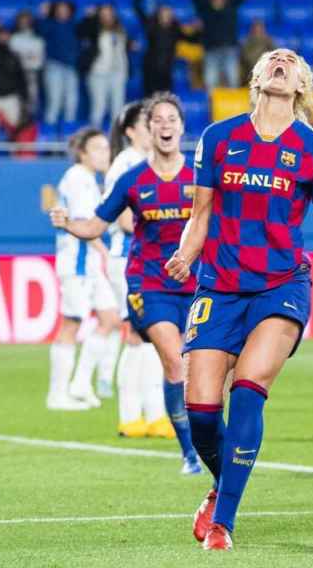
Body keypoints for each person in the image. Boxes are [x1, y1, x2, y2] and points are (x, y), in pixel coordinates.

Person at [164, 48, 313, 550]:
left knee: (247, 389)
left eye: (291, 61)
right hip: (218, 286)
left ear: (303, 84)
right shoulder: (219, 138)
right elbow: (201, 214)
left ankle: (223, 522)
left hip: (281, 287)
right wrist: (184, 255)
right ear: (257, 77)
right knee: (200, 412)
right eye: (272, 59)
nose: (281, 61)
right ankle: (222, 483)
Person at [50, 93, 203, 475]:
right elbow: (97, 224)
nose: (165, 126)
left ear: (182, 127)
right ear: (148, 131)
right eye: (158, 121)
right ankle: (188, 452)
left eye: (172, 119)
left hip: (196, 283)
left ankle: (181, 427)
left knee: (203, 368)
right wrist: (68, 222)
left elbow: (224, 224)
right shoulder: (133, 179)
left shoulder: (200, 179)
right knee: (174, 358)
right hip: (148, 282)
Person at [103, 100, 170, 438]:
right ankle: (131, 415)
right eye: (148, 124)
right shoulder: (127, 164)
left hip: (146, 261)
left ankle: (153, 414)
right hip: (128, 259)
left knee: (150, 337)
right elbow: (125, 219)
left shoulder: (149, 162)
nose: (155, 129)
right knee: (137, 335)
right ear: (130, 131)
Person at [47, 128, 120, 411]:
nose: (106, 153)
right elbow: (83, 225)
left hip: (88, 264)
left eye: (106, 148)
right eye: (99, 149)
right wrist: (107, 254)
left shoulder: (89, 179)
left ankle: (79, 383)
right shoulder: (79, 178)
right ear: (83, 154)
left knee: (111, 318)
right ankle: (57, 394)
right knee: (72, 323)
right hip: (76, 263)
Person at [180, 0, 251, 91]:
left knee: (233, 82)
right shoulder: (204, 8)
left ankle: (232, 106)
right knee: (210, 85)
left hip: (229, 51)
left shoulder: (232, 4)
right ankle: (212, 106)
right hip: (211, 51)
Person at [135, 0, 200, 95]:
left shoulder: (175, 28)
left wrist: (197, 29)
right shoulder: (151, 25)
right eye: (163, 11)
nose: (166, 14)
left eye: (168, 12)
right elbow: (138, 10)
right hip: (151, 69)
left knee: (165, 98)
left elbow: (191, 39)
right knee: (149, 99)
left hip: (167, 69)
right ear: (158, 13)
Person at [79, 4, 130, 129]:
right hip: (98, 73)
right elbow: (80, 31)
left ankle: (117, 141)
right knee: (99, 107)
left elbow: (122, 51)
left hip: (118, 72)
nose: (107, 17)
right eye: (103, 14)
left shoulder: (120, 29)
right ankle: (92, 141)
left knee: (118, 109)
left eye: (109, 13)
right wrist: (88, 18)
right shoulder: (93, 29)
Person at [36, 0, 80, 126]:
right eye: (59, 9)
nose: (62, 11)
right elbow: (39, 31)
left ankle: (69, 130)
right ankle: (49, 132)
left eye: (65, 9)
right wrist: (42, 15)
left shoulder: (74, 24)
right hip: (53, 66)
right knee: (54, 100)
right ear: (54, 11)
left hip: (71, 67)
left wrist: (91, 16)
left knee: (71, 101)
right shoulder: (49, 24)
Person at [9, 10, 45, 118]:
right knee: (17, 100)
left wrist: (26, 57)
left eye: (27, 21)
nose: (24, 23)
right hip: (15, 74)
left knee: (32, 99)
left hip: (32, 73)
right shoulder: (12, 38)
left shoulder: (38, 38)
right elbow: (13, 57)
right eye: (22, 21)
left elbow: (39, 59)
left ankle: (29, 123)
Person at [239, 19, 274, 86]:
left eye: (260, 27)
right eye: (255, 27)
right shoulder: (247, 41)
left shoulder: (268, 40)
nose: (257, 29)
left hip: (264, 67)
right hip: (249, 67)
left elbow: (274, 53)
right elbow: (244, 56)